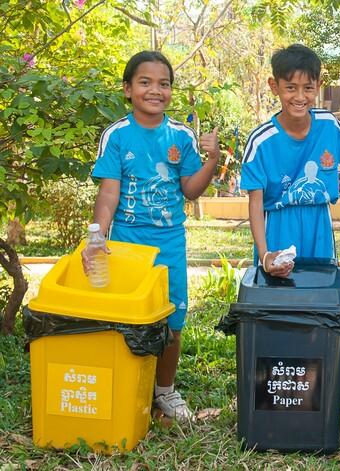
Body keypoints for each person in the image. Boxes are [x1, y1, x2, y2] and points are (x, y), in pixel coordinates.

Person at [83, 51, 221, 420]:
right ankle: (130, 383)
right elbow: (109, 193)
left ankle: (165, 391)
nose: (155, 90)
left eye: (164, 84)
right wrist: (97, 236)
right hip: (127, 244)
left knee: (173, 321)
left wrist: (212, 160)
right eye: (145, 82)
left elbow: (191, 190)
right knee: (128, 318)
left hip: (170, 243)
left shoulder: (181, 135)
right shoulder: (117, 135)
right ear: (128, 89)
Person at [241, 44, 340, 276]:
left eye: (308, 88)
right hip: (279, 224)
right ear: (275, 86)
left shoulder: (328, 123)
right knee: (278, 291)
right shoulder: (260, 141)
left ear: (318, 87)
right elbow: (255, 202)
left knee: (320, 288)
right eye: (291, 87)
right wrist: (265, 255)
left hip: (319, 222)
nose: (300, 97)